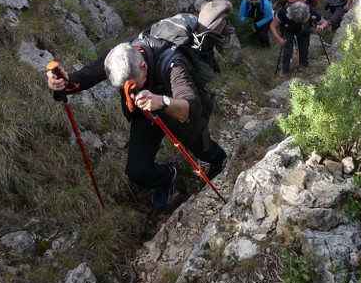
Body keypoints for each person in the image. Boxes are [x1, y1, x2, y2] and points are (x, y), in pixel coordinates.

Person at [46, 36, 227, 211]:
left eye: (132, 86)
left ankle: (218, 161)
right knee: (137, 171)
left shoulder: (173, 64)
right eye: (124, 88)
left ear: (143, 65)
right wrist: (62, 83)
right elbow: (83, 78)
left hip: (177, 108)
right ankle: (167, 177)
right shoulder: (118, 57)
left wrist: (162, 102)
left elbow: (192, 108)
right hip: (146, 112)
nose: (129, 90)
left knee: (203, 149)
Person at [271, 0, 322, 75]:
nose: (297, 21)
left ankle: (303, 66)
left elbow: (324, 22)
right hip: (287, 30)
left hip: (303, 30)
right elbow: (272, 25)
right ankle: (284, 71)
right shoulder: (284, 11)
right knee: (287, 52)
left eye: (300, 19)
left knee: (304, 50)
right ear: (290, 14)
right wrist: (279, 39)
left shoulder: (310, 11)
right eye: (295, 19)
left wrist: (321, 27)